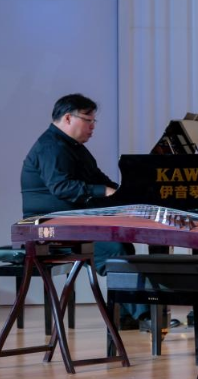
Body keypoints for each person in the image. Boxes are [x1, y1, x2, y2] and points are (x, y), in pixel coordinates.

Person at [21, 93, 148, 329]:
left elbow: (99, 179)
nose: (93, 127)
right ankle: (146, 316)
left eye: (93, 121)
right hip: (50, 226)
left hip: (71, 221)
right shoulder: (51, 146)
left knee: (121, 244)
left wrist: (127, 195)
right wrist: (104, 191)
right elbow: (61, 187)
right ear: (68, 118)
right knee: (114, 248)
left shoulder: (74, 148)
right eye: (88, 120)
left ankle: (127, 315)